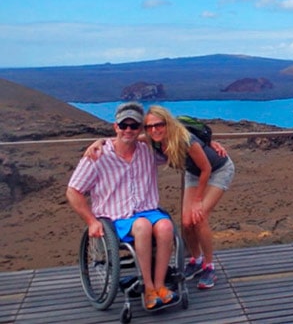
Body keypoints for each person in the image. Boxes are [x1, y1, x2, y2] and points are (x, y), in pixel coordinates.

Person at [85, 105, 235, 290]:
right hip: (193, 173)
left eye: (159, 125)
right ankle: (196, 260)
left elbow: (206, 169)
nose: (154, 130)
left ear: (168, 124)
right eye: (149, 127)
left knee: (199, 216)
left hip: (216, 170)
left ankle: (209, 266)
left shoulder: (184, 139)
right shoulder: (153, 139)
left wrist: (197, 201)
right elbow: (124, 137)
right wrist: (99, 141)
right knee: (187, 222)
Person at [67, 102, 178, 310]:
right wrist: (91, 221)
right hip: (116, 217)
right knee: (143, 226)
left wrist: (210, 145)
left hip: (148, 209)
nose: (128, 130)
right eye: (123, 125)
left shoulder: (148, 151)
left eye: (134, 126)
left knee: (165, 226)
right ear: (115, 126)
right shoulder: (98, 156)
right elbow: (73, 191)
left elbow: (174, 141)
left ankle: (161, 285)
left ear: (140, 129)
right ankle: (148, 288)